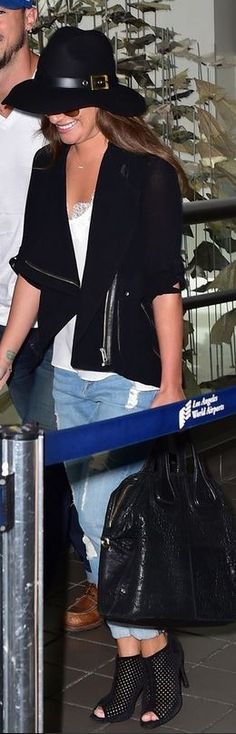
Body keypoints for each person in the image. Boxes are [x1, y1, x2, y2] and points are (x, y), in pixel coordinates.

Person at [0, 26, 188, 727]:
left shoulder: (148, 174)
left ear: (104, 99)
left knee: (109, 520)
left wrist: (171, 380)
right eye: (51, 102)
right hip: (63, 370)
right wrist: (9, 348)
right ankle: (138, 656)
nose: (58, 115)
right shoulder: (52, 168)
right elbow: (34, 271)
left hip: (130, 372)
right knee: (90, 529)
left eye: (70, 102)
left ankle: (152, 651)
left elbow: (165, 283)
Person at [0, 4, 86, 589]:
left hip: (42, 317)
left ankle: (77, 584)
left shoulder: (57, 112)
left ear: (30, 16)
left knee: (61, 465)